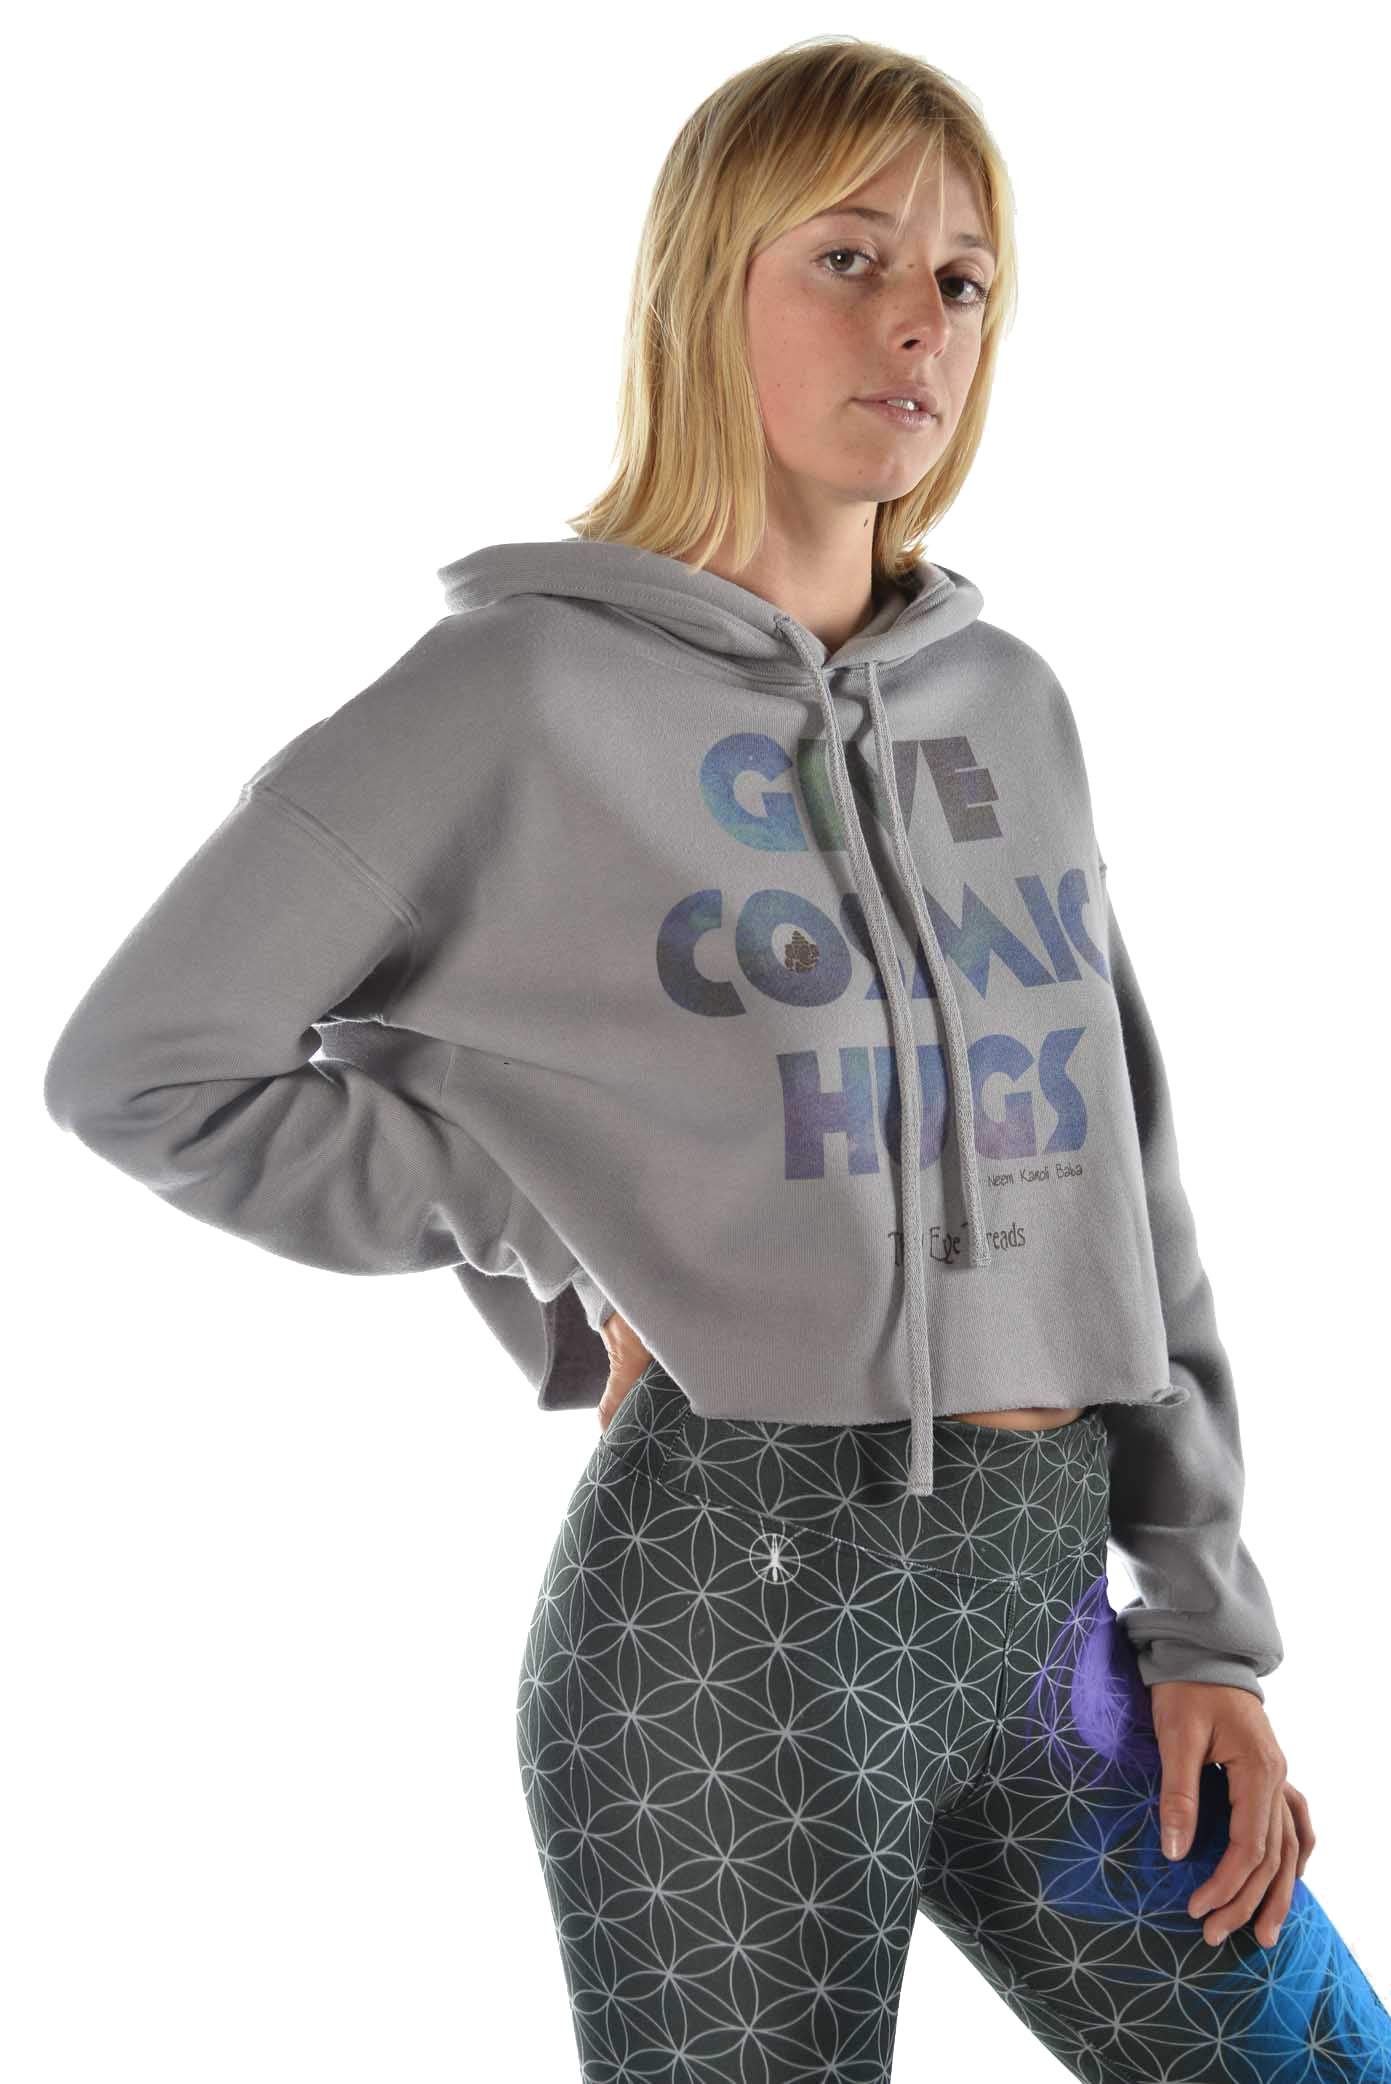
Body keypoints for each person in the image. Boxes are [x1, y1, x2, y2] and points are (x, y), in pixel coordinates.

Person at [42, 33, 1390, 2082]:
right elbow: (145, 1065)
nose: (919, 322)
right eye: (850, 257)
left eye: (962, 278)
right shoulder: (514, 693)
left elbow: (1124, 1165)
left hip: (1048, 1623)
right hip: (730, 1637)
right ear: (706, 285)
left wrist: (1206, 1618)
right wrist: (551, 1229)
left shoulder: (1007, 702)